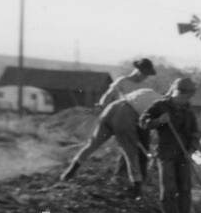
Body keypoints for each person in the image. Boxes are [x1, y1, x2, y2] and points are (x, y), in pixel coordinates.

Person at [60, 60, 159, 195]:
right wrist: (102, 104)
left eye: (147, 74)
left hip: (132, 118)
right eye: (144, 73)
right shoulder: (122, 81)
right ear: (137, 70)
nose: (145, 76)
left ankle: (125, 179)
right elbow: (109, 94)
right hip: (121, 116)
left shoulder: (145, 86)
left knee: (133, 152)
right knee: (123, 150)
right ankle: (70, 172)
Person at [139, 77, 200, 213]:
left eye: (188, 96)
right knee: (169, 189)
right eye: (183, 95)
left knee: (185, 190)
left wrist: (192, 148)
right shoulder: (160, 106)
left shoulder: (189, 112)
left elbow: (195, 133)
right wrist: (159, 121)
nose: (185, 99)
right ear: (175, 91)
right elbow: (143, 122)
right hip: (165, 154)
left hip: (184, 155)